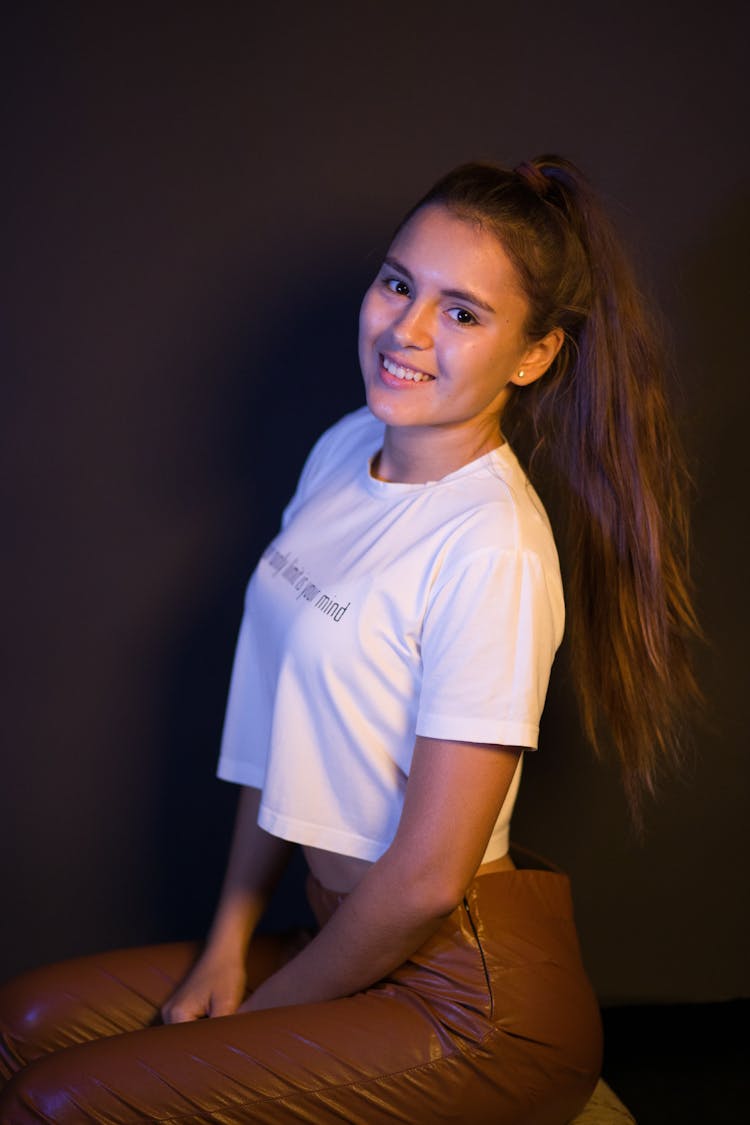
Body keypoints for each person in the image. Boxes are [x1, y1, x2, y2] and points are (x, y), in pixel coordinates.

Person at [0, 156, 701, 1124]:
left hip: (468, 994)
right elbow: (281, 729)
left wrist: (255, 1019)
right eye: (398, 283)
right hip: (341, 939)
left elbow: (422, 881)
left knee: (55, 1102)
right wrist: (228, 942)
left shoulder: (491, 547)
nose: (406, 330)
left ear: (534, 355)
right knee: (19, 1023)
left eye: (463, 313)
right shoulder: (342, 449)